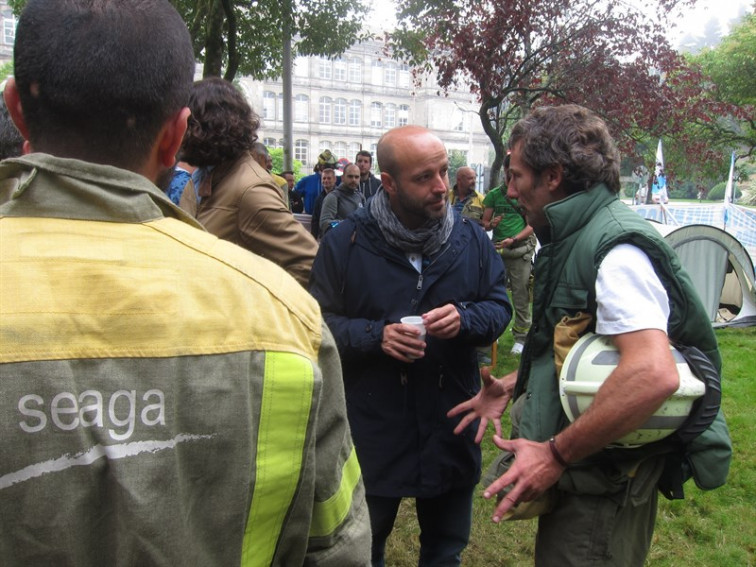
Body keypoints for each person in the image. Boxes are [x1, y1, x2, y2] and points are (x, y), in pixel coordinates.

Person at [0, 2, 371, 565]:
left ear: (15, 110)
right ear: (175, 136)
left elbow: (307, 260)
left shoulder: (257, 227)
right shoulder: (286, 323)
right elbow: (337, 544)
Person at [450, 105, 730, 566]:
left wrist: (555, 454)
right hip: (592, 478)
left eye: (518, 176)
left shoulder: (614, 249)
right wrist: (517, 382)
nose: (510, 190)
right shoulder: (581, 234)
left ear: (554, 176)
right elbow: (586, 347)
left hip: (604, 488)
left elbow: (651, 373)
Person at [309, 125, 511, 567]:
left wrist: (466, 318)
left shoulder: (470, 239)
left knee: (445, 549)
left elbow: (500, 307)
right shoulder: (346, 243)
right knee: (364, 544)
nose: (442, 187)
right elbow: (316, 326)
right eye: (424, 177)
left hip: (451, 422)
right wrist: (376, 336)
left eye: (443, 172)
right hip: (373, 426)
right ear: (389, 182)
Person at [179, 77, 318, 287]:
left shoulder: (250, 189)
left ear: (203, 128)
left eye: (185, 123)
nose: (177, 131)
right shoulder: (203, 176)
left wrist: (250, 310)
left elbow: (309, 262)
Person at [482, 154, 537, 355]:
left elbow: (531, 224)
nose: (510, 179)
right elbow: (485, 222)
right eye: (508, 174)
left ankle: (521, 338)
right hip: (498, 251)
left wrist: (514, 239)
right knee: (494, 293)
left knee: (521, 295)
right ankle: (493, 332)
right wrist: (490, 224)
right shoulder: (495, 195)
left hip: (519, 251)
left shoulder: (524, 196)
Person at [319, 163, 365, 236]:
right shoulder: (333, 197)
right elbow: (325, 223)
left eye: (356, 177)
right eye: (350, 176)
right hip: (339, 244)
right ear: (343, 178)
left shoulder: (360, 196)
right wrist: (348, 226)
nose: (353, 180)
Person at [296, 149, 338, 214]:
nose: (332, 170)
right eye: (330, 167)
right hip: (311, 219)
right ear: (321, 166)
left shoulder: (339, 181)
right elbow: (293, 197)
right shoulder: (306, 181)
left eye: (333, 168)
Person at [251, 141, 289, 207]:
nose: (270, 164)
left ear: (261, 158)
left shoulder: (280, 182)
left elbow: (284, 208)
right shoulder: (242, 180)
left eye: (270, 161)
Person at [310, 167, 337, 240]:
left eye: (329, 178)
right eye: (324, 178)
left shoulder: (340, 196)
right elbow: (315, 220)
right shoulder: (319, 199)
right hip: (323, 237)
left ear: (335, 179)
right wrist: (313, 239)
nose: (326, 180)